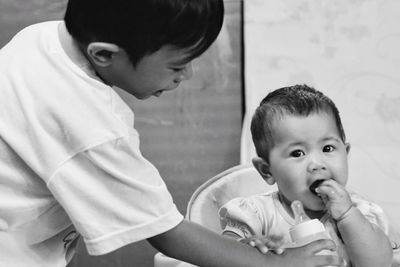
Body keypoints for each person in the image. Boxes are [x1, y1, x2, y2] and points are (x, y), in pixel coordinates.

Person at [0, 0, 344, 266]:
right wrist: (274, 264)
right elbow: (166, 233)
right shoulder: (92, 128)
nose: (188, 75)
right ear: (104, 54)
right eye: (177, 65)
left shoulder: (40, 37)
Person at [219, 84, 395, 267]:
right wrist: (252, 252)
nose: (317, 164)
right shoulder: (256, 214)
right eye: (297, 153)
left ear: (346, 152)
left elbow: (379, 263)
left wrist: (347, 216)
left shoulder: (362, 213)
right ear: (267, 170)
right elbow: (223, 256)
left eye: (328, 148)